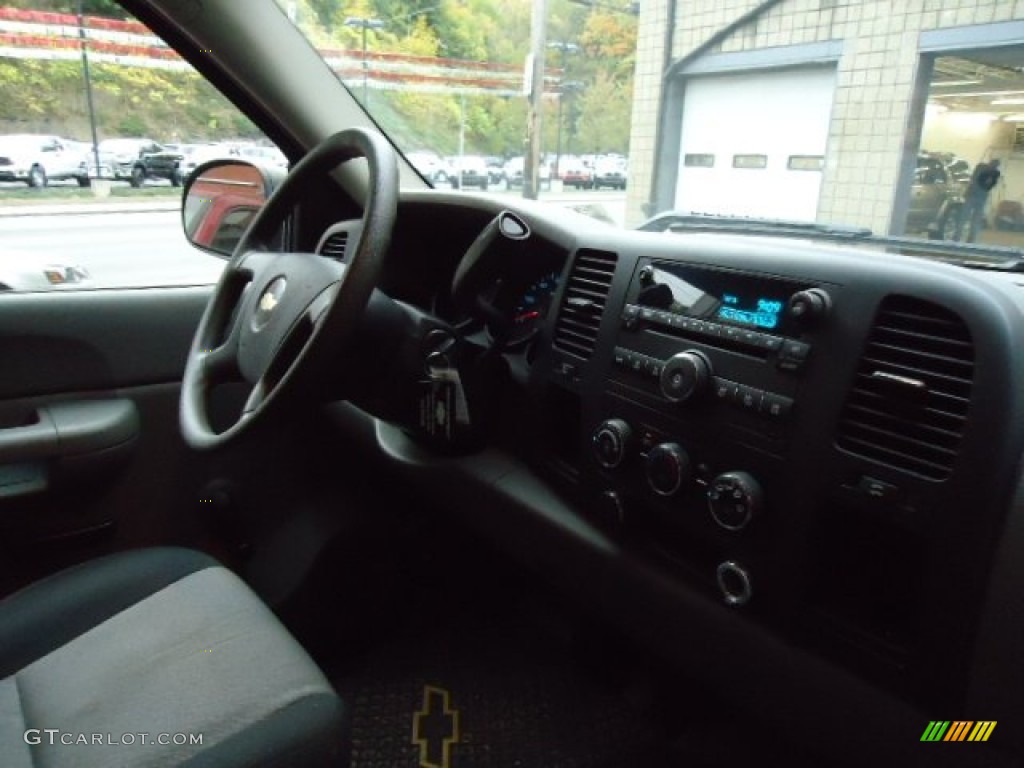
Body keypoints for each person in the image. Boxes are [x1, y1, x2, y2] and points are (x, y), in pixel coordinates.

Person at [956, 158, 1001, 243]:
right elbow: (977, 180)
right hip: (976, 195)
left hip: (977, 196)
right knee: (969, 218)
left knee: (967, 218)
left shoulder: (992, 172)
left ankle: (962, 239)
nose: (994, 167)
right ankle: (964, 239)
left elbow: (978, 180)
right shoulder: (987, 170)